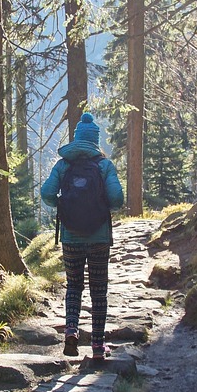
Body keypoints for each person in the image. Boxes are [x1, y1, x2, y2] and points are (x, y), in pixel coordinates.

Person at [41, 112, 124, 359]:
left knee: (74, 286)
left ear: (76, 139)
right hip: (98, 238)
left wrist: (63, 204)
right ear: (95, 141)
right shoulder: (104, 165)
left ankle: (71, 331)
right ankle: (98, 346)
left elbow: (46, 194)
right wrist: (101, 205)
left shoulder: (63, 165)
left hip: (71, 237)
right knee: (98, 290)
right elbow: (117, 199)